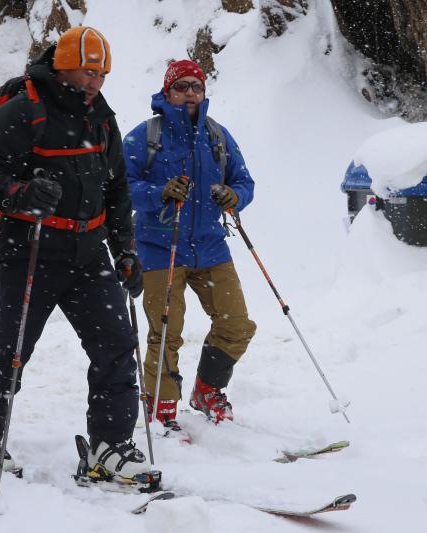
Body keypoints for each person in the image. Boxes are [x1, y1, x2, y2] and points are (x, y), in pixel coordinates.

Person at [0, 26, 153, 486]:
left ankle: (109, 446)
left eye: (102, 73)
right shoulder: (25, 110)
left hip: (88, 251)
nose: (95, 81)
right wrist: (21, 193)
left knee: (118, 347)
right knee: (11, 352)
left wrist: (125, 250)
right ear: (63, 65)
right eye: (88, 71)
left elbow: (117, 187)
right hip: (31, 251)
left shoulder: (101, 117)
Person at [123, 60, 256, 433]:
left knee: (237, 325)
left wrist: (235, 196)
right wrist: (157, 193)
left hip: (211, 246)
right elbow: (118, 186)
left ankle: (207, 390)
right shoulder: (144, 135)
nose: (189, 93)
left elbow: (244, 181)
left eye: (195, 86)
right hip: (158, 248)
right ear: (168, 92)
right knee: (165, 332)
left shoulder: (217, 135)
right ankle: (162, 407)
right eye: (181, 86)